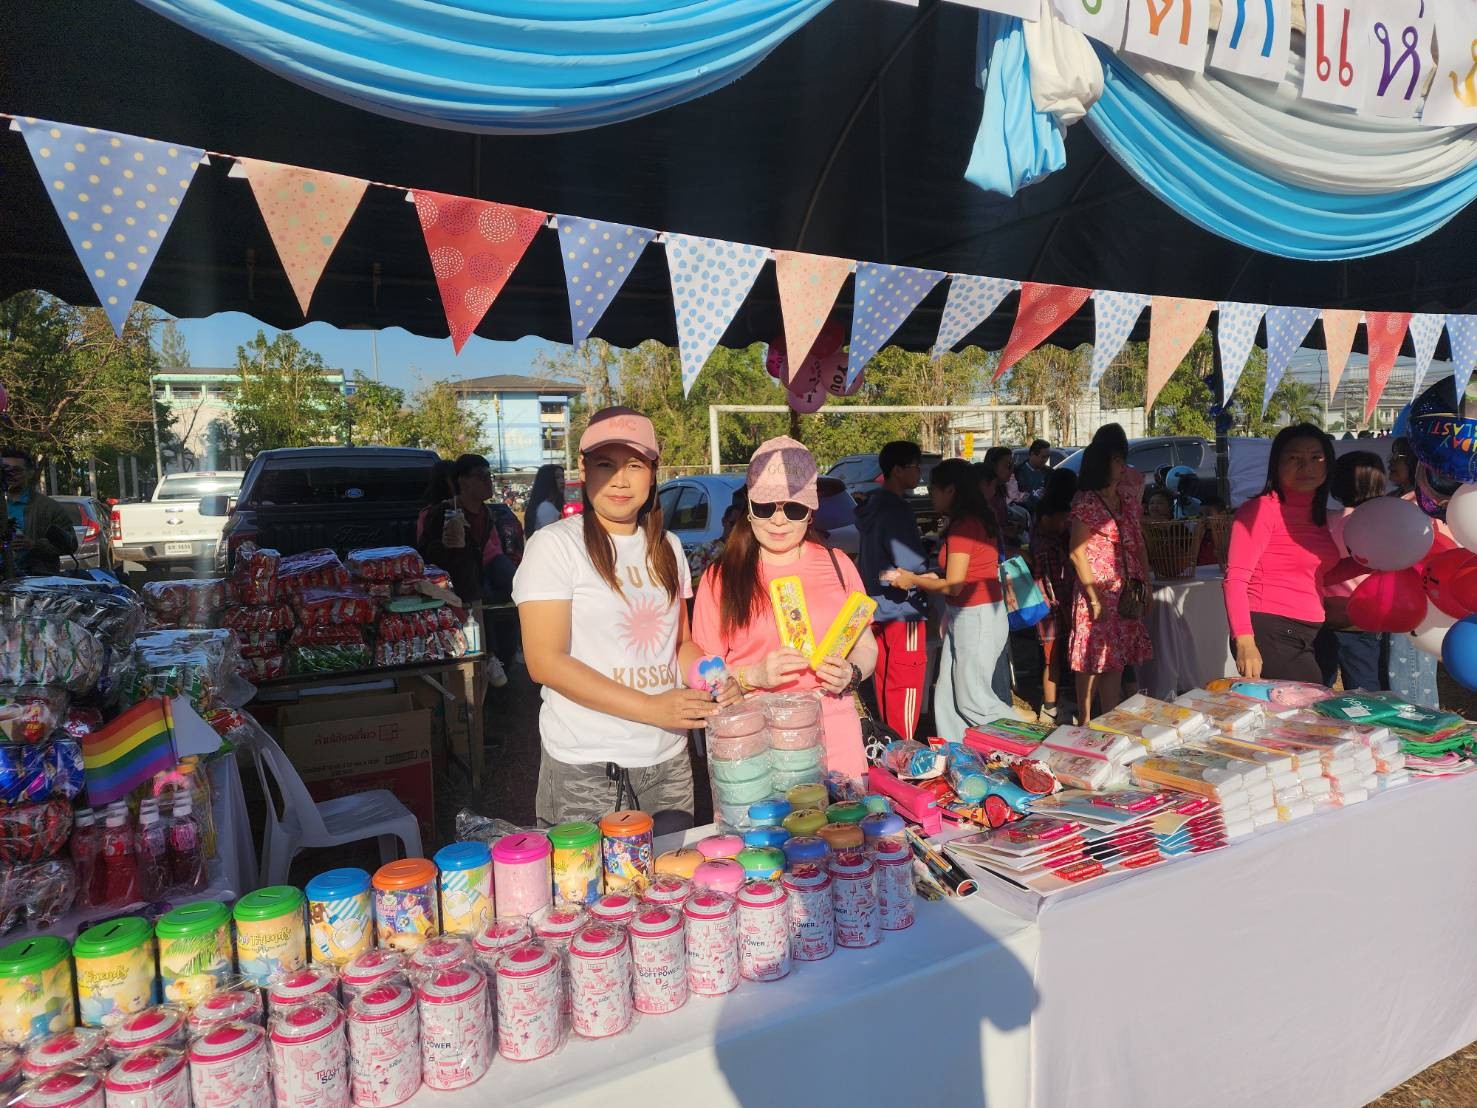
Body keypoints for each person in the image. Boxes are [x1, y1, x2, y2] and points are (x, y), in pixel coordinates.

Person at [513, 407, 714, 829]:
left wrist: (711, 677)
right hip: (588, 765)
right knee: (588, 875)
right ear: (584, 470)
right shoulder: (555, 546)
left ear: (653, 473)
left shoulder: (668, 546)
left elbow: (681, 643)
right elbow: (545, 661)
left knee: (671, 869)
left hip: (668, 759)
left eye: (635, 465)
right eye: (606, 464)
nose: (620, 480)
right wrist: (649, 707)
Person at [692, 436, 878, 779]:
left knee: (845, 815)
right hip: (756, 739)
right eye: (766, 507)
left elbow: (866, 645)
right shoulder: (720, 577)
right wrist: (752, 676)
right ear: (749, 509)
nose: (779, 521)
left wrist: (851, 673)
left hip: (835, 731)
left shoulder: (838, 564)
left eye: (793, 508)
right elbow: (703, 670)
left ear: (810, 513)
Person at [883, 458, 1014, 740]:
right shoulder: (972, 519)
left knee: (973, 700)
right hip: (968, 613)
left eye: (933, 488)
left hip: (976, 616)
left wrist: (913, 580)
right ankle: (956, 754)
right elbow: (961, 576)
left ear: (951, 490)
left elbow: (954, 586)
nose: (931, 494)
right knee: (947, 697)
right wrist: (931, 579)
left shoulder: (965, 525)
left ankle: (1034, 741)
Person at [1223, 423, 1340, 683]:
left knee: (1315, 705)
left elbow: (1315, 575)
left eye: (1316, 457)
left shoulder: (1318, 516)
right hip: (1270, 629)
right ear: (1276, 464)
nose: (1306, 466)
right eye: (1294, 458)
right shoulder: (1260, 510)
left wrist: (1371, 564)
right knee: (1305, 707)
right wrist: (1245, 642)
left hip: (1312, 630)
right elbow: (1235, 580)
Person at [1068, 424, 1153, 721]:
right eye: (1117, 461)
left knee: (1115, 657)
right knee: (1091, 658)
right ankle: (1085, 719)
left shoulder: (1127, 501)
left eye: (1122, 460)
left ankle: (1109, 718)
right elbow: (1076, 552)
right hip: (1097, 591)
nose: (1122, 466)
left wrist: (1146, 584)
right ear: (1103, 464)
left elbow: (1139, 545)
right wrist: (1094, 597)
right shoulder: (1087, 502)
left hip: (1125, 591)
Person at [856, 441, 930, 740]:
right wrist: (928, 566)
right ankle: (904, 746)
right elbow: (910, 562)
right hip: (904, 607)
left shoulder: (871, 505)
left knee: (884, 678)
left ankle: (889, 741)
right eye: (915, 467)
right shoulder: (897, 508)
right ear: (897, 470)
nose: (919, 474)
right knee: (906, 681)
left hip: (877, 604)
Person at [419, 453, 509, 688]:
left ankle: (491, 665)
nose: (488, 482)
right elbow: (424, 555)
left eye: (489, 476)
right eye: (481, 476)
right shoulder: (444, 512)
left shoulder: (486, 513)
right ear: (462, 481)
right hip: (448, 592)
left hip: (473, 587)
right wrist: (444, 544)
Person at [1317, 451, 1388, 692]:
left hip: (1323, 615)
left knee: (1317, 685)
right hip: (1363, 619)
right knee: (1364, 686)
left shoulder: (1323, 521)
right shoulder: (1382, 523)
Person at [1030, 468, 1077, 724]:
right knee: (1053, 660)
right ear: (1046, 518)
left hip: (1049, 612)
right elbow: (1055, 584)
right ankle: (1049, 707)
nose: (1063, 526)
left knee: (1052, 660)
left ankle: (1052, 704)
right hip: (1054, 611)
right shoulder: (1049, 548)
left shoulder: (1039, 540)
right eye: (1060, 521)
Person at [1, 449, 76, 576]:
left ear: (30, 473)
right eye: (4, 470)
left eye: (16, 470)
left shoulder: (49, 507)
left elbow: (71, 544)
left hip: (36, 580)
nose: (9, 474)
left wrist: (35, 545)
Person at [524, 464, 565, 537]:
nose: (562, 481)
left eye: (563, 477)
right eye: (557, 477)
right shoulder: (546, 507)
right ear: (546, 481)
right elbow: (551, 537)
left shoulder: (547, 505)